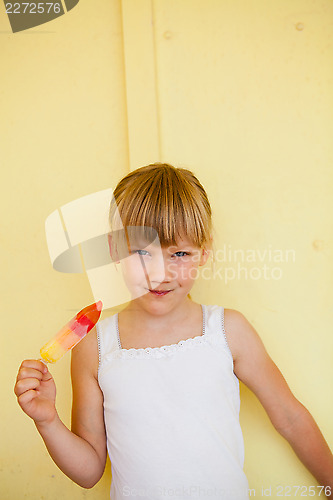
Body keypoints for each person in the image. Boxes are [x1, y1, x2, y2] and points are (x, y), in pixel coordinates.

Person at [14, 163, 333, 499]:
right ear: (113, 250)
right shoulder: (94, 347)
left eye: (179, 253)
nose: (160, 273)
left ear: (204, 251)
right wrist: (47, 421)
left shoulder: (227, 331)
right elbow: (90, 470)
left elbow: (291, 418)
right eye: (141, 252)